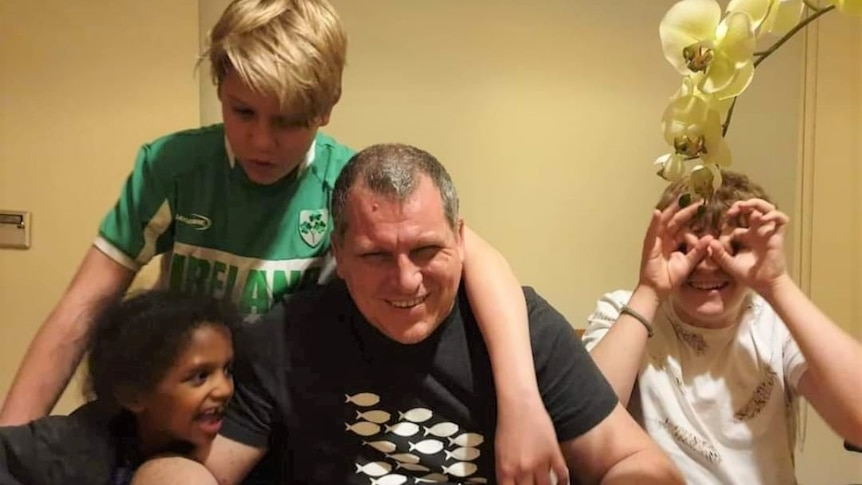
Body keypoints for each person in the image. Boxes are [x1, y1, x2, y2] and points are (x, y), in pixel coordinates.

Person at [1, 1, 564, 481]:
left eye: (289, 120)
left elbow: (473, 256)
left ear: (326, 107)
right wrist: (13, 439)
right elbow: (82, 310)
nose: (261, 140)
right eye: (242, 111)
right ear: (219, 83)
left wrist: (521, 403)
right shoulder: (171, 168)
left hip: (270, 427)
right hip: (168, 416)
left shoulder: (344, 183)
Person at [132, 143, 685, 485]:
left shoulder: (526, 328)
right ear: (339, 257)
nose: (406, 281)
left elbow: (637, 464)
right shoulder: (285, 339)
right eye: (375, 256)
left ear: (461, 240)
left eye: (426, 250)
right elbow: (200, 469)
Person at [582, 171, 862, 484]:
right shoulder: (625, 310)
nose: (708, 264)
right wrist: (649, 289)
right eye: (687, 249)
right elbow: (584, 426)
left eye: (732, 248)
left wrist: (776, 284)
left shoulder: (774, 323)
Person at [0, 290, 236, 485]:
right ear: (133, 395)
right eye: (200, 376)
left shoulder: (218, 445)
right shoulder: (71, 444)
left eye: (227, 370)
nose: (224, 389)